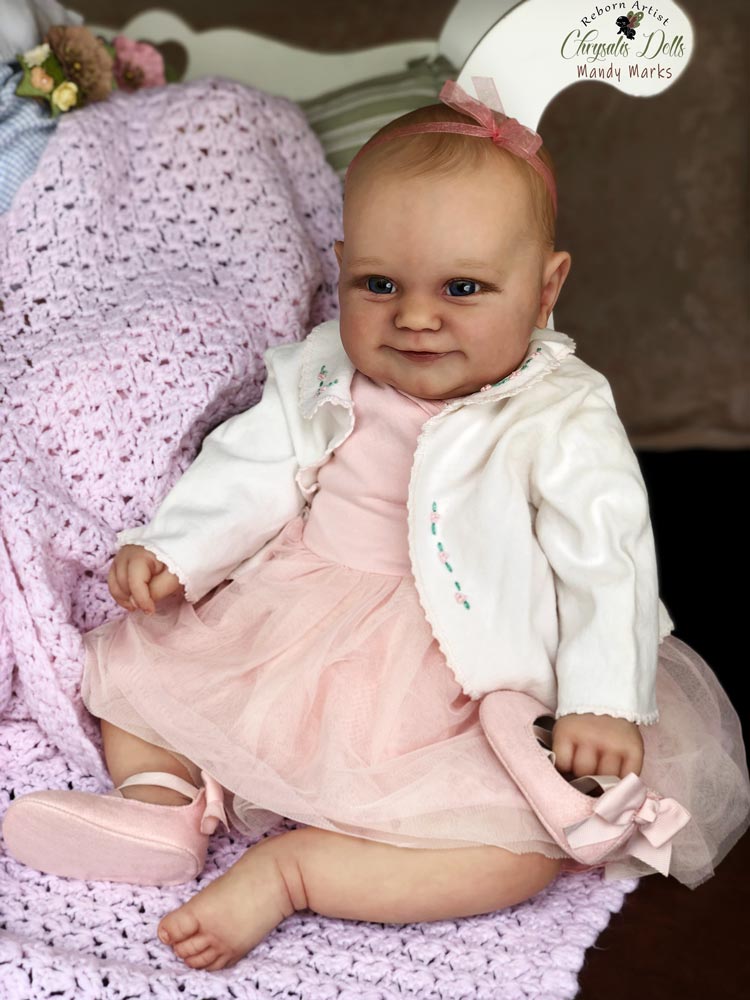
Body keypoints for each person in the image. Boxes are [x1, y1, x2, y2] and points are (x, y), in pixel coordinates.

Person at [3, 79, 749, 973]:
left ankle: (296, 872)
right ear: (341, 264)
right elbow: (252, 465)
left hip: (465, 666)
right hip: (297, 618)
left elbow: (607, 557)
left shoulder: (559, 410)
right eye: (379, 284)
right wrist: (177, 551)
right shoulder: (325, 368)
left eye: (463, 288)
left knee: (512, 855)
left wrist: (602, 696)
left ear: (546, 287)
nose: (417, 317)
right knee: (136, 675)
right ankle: (158, 802)